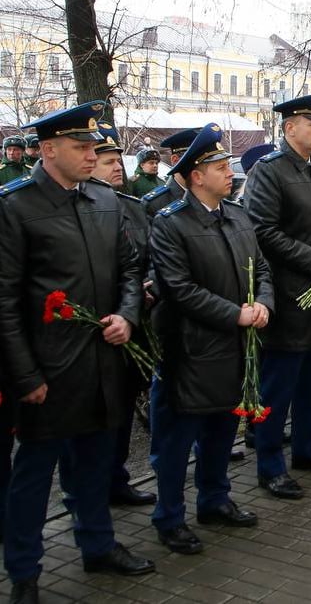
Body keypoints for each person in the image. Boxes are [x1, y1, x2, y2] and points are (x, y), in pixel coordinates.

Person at [0, 102, 155, 603]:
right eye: (81, 147)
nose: (93, 155)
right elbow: (4, 303)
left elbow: (131, 269)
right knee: (33, 477)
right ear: (47, 150)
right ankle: (24, 572)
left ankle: (98, 545)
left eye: (95, 147)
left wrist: (127, 316)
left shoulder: (104, 201)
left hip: (102, 360)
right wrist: (25, 377)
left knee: (93, 464)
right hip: (48, 370)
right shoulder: (14, 206)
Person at [147, 123, 273, 555]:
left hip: (236, 350)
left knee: (222, 431)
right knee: (176, 442)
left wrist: (263, 305)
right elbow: (178, 289)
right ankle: (169, 517)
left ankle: (214, 500)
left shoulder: (238, 216)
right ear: (196, 175)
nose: (230, 173)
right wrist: (236, 313)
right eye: (220, 166)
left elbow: (263, 269)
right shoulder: (171, 224)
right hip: (192, 352)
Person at [243, 93, 311, 500]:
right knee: (279, 386)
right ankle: (270, 465)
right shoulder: (269, 172)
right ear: (290, 128)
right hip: (291, 297)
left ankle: (308, 448)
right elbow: (263, 232)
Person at [89, 122, 158, 508]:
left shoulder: (134, 207)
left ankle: (116, 479)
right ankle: (82, 491)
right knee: (92, 417)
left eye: (119, 161)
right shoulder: (83, 208)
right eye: (107, 161)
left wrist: (149, 288)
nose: (117, 167)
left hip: (134, 323)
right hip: (97, 326)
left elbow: (150, 260)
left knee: (123, 409)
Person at [141, 128, 202, 217]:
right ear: (175, 160)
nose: (201, 166)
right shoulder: (153, 204)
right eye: (195, 160)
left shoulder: (210, 196)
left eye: (205, 161)